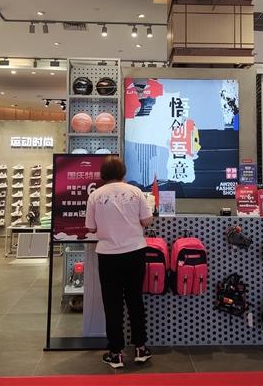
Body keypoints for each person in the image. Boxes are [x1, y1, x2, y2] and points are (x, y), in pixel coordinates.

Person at [85, 156, 153, 369]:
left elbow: (91, 227)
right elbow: (147, 220)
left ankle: (116, 353)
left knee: (112, 304)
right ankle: (140, 348)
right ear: (123, 172)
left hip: (108, 255)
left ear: (103, 174)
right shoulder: (135, 192)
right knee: (135, 300)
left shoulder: (95, 195)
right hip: (135, 252)